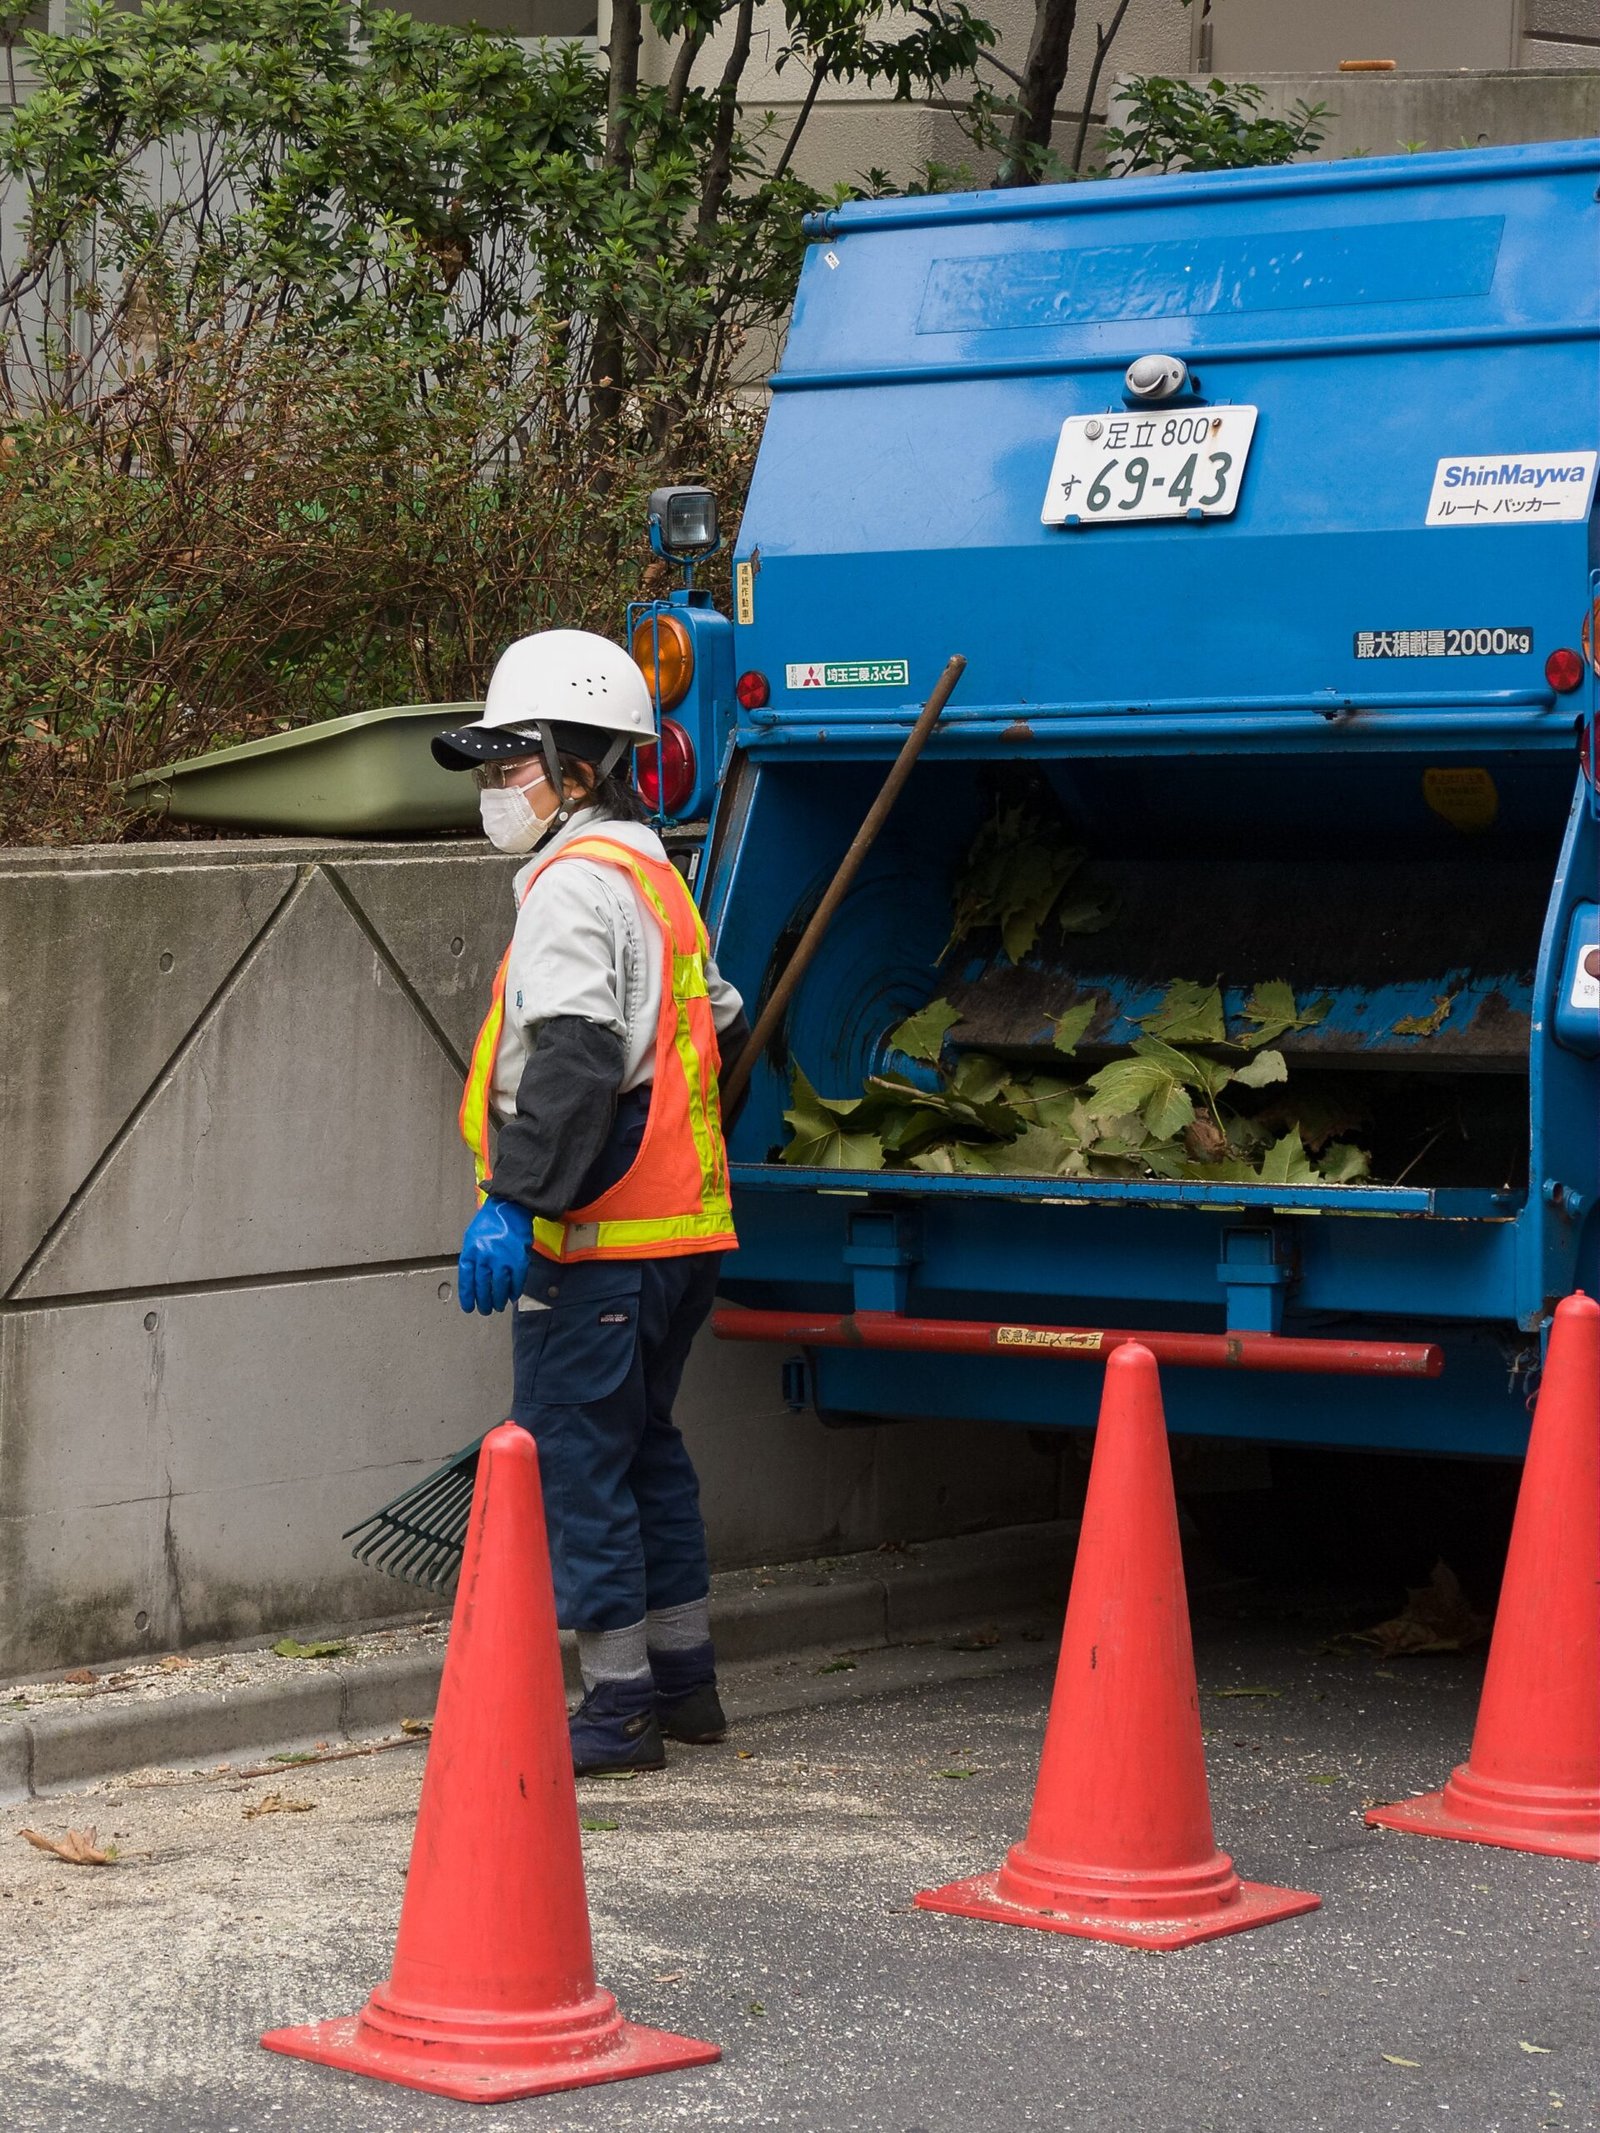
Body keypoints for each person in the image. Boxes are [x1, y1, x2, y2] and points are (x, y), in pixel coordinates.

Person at [431, 629, 747, 1777]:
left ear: (579, 766)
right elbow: (724, 1020)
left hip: (601, 1240)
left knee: (577, 1460)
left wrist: (515, 1204)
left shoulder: (572, 889)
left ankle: (615, 1709)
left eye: (511, 765)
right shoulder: (654, 877)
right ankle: (684, 1681)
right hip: (681, 1236)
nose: (493, 790)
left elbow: (570, 1057)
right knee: (646, 1449)